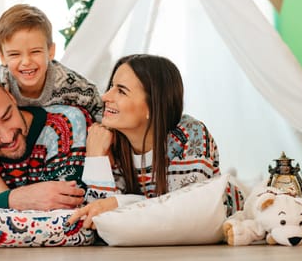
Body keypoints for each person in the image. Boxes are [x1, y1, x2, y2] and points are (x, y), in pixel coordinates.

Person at [67, 54, 244, 228]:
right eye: (111, 87)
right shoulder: (106, 140)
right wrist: (95, 158)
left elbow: (187, 209)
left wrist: (119, 203)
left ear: (152, 106)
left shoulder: (190, 134)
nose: (105, 97)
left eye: (121, 91)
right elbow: (99, 220)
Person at [0, 4, 103, 195]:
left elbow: (99, 110)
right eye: (15, 54)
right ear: (2, 56)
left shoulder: (72, 85)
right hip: (9, 162)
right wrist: (5, 196)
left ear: (51, 51)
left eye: (35, 52)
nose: (26, 62)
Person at [0, 66, 92, 210]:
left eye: (7, 117)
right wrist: (13, 199)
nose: (7, 137)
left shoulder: (65, 123)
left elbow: (72, 216)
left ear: (10, 97)